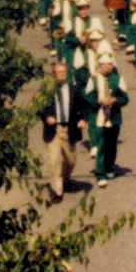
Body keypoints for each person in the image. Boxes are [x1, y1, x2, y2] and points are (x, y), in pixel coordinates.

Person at [39, 60, 88, 203]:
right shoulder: (47, 90)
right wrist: (46, 117)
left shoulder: (74, 89)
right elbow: (39, 108)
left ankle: (65, 178)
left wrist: (83, 119)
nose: (61, 75)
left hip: (69, 129)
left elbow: (85, 106)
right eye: (58, 72)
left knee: (71, 160)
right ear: (54, 75)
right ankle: (57, 191)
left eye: (63, 72)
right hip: (54, 130)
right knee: (54, 161)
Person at [84, 49, 129, 188]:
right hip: (98, 118)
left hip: (114, 118)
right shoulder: (93, 80)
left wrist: (115, 100)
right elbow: (87, 97)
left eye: (109, 65)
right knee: (101, 145)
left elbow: (125, 98)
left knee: (111, 145)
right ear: (99, 66)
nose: (107, 67)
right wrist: (99, 101)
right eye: (104, 65)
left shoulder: (118, 79)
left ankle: (109, 167)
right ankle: (100, 173)